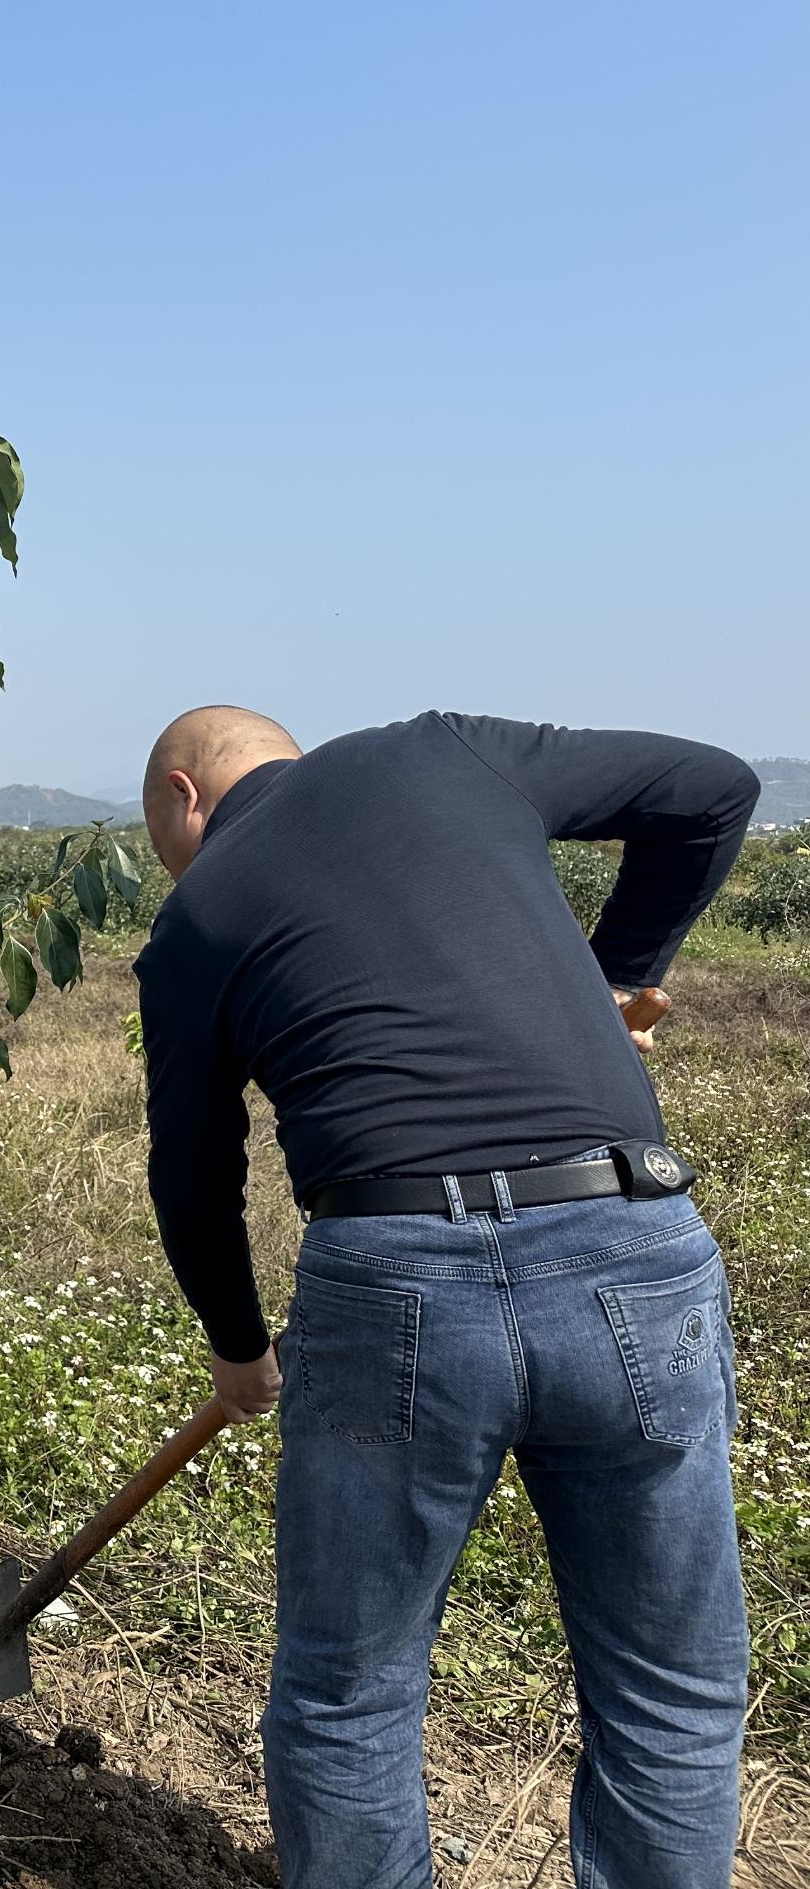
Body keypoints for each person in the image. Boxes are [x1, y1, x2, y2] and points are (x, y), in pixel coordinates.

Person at [135, 709, 759, 1889]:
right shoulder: (441, 753)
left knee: (346, 1693)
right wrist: (617, 971)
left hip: (394, 1277)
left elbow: (192, 1176)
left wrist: (235, 1345)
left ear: (184, 796)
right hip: (627, 1242)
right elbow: (713, 788)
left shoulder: (193, 920)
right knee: (670, 1688)